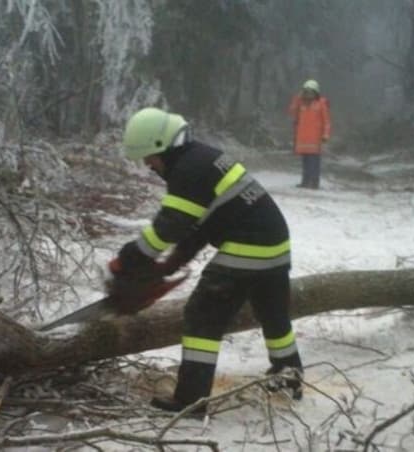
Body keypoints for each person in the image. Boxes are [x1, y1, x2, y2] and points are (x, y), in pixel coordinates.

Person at [108, 107, 304, 415]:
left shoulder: (187, 171)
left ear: (163, 146)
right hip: (275, 245)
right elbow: (199, 225)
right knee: (274, 315)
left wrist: (129, 258)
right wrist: (169, 266)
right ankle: (289, 377)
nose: (148, 165)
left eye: (149, 157)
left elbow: (169, 226)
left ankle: (191, 400)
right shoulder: (201, 158)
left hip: (248, 245)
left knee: (201, 315)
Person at [287, 79, 331, 189]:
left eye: (310, 92)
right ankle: (305, 182)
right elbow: (291, 112)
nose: (308, 94)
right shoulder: (300, 103)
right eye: (306, 91)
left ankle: (314, 183)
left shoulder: (321, 104)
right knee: (305, 163)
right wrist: (297, 98)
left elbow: (327, 121)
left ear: (316, 92)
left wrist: (325, 135)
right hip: (303, 140)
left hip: (315, 140)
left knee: (314, 163)